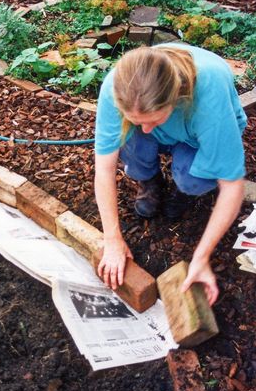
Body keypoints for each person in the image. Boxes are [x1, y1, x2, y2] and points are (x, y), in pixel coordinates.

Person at [94, 43, 247, 306]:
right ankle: (150, 179)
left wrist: (201, 258)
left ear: (175, 98)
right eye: (135, 119)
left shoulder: (209, 93)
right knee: (131, 140)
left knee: (191, 179)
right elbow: (104, 168)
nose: (144, 129)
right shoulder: (116, 87)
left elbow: (232, 185)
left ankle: (182, 186)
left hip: (195, 135)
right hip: (162, 116)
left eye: (153, 119)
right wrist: (112, 240)